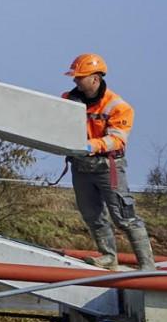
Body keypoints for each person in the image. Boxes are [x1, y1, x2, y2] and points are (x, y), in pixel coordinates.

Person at [63, 52, 155, 271]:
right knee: (92, 215)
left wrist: (90, 146)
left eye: (80, 77)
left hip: (107, 167)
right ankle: (108, 257)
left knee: (124, 216)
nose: (75, 80)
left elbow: (117, 139)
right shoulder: (68, 100)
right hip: (81, 166)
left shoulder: (118, 107)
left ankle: (147, 265)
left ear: (95, 78)